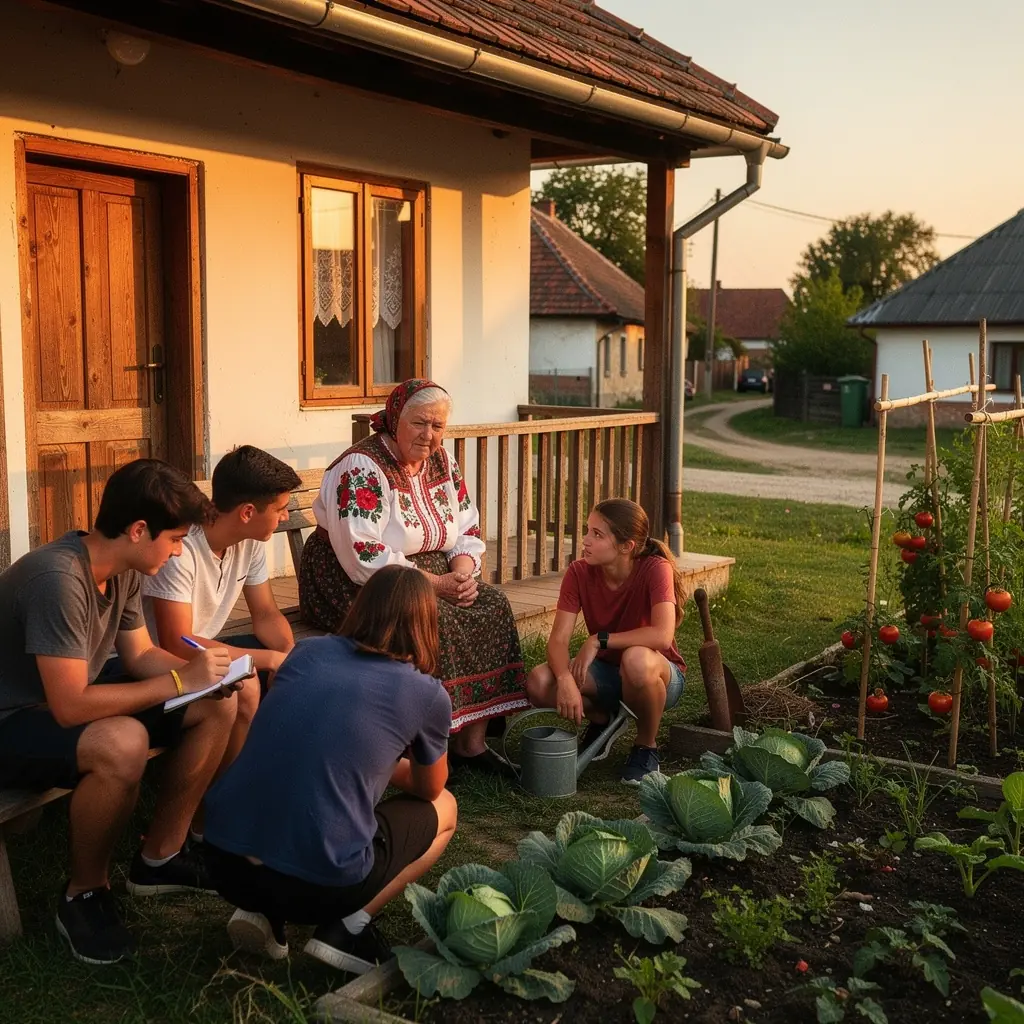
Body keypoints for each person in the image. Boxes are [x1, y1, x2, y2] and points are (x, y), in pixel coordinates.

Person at [0, 460, 242, 965]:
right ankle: (84, 893)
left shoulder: (124, 569)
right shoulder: (58, 578)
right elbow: (70, 708)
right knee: (123, 741)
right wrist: (181, 680)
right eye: (174, 539)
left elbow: (137, 656)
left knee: (217, 705)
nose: (178, 550)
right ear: (138, 530)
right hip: (13, 716)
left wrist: (201, 674)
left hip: (62, 696)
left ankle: (160, 857)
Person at [203, 565, 457, 973]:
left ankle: (261, 913)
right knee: (446, 808)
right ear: (427, 623)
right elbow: (429, 788)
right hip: (313, 889)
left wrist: (369, 757)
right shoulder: (427, 694)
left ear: (361, 606)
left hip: (222, 861)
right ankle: (345, 930)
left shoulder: (307, 652)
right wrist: (384, 760)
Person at [298, 379, 528, 775]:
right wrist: (435, 586)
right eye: (420, 423)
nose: (429, 435)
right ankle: (429, 750)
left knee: (492, 603)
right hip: (361, 583)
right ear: (394, 419)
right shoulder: (362, 467)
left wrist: (462, 574)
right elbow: (362, 556)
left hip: (432, 572)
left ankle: (471, 744)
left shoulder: (443, 461)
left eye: (438, 426)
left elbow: (467, 528)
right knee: (434, 618)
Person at [143, 446, 301, 766]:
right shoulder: (181, 549)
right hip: (159, 661)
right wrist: (270, 659)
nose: (285, 516)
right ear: (246, 512)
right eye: (280, 509)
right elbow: (176, 641)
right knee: (249, 684)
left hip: (206, 650)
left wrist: (287, 653)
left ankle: (240, 778)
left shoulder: (249, 541)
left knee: (280, 663)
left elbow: (266, 614)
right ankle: (227, 790)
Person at [525, 498, 687, 784]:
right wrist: (564, 678)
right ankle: (603, 720)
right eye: (588, 530)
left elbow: (662, 635)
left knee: (635, 658)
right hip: (607, 674)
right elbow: (558, 641)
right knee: (539, 682)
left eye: (597, 534)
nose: (585, 540)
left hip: (656, 674)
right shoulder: (579, 572)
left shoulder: (655, 568)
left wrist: (598, 640)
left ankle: (646, 746)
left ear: (627, 547)